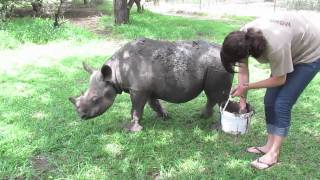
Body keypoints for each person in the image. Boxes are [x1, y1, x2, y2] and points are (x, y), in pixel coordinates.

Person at [220, 12, 320, 170]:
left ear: (248, 52)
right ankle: (268, 145)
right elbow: (244, 72)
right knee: (269, 101)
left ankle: (273, 153)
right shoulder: (241, 39)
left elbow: (280, 79)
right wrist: (242, 102)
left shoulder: (275, 47)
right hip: (291, 45)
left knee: (282, 103)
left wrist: (247, 87)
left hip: (311, 52)